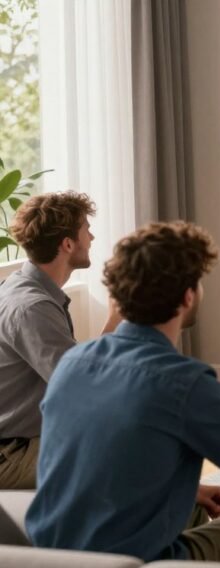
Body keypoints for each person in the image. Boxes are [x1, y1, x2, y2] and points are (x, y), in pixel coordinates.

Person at [26, 222, 220, 565]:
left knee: (191, 508)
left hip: (52, 566)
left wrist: (190, 490)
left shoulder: (73, 362)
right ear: (188, 296)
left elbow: (96, 458)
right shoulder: (183, 383)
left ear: (119, 295)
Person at [0, 191, 121, 489]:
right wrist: (116, 319)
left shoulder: (24, 287)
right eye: (86, 230)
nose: (91, 238)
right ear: (67, 244)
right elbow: (81, 387)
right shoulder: (32, 307)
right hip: (11, 453)